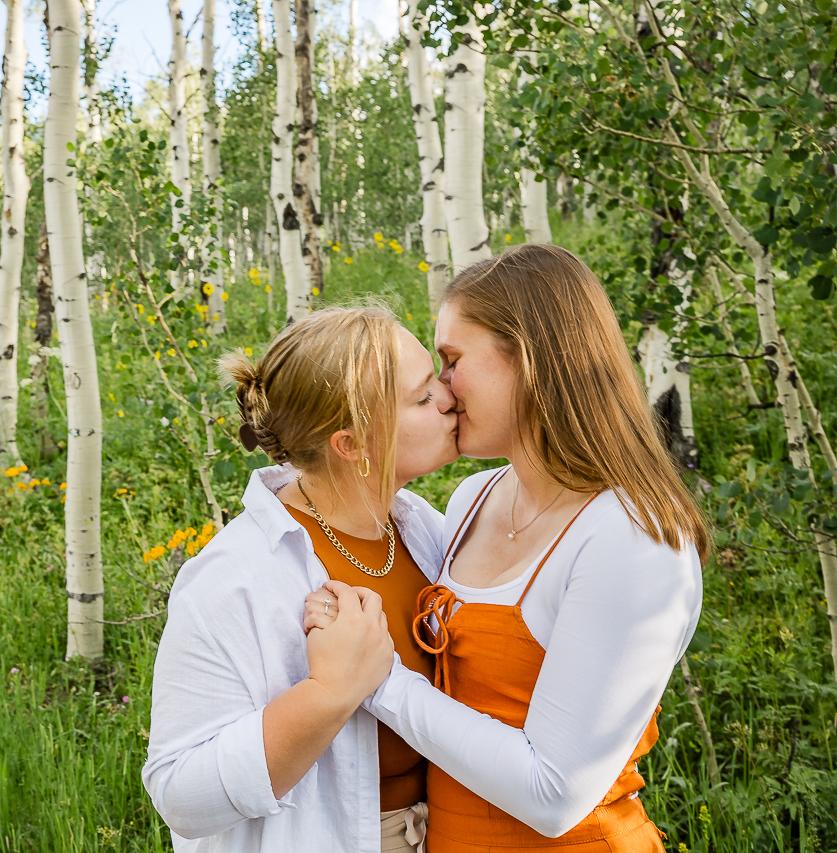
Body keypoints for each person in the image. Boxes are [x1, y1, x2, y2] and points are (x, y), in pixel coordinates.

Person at [304, 244, 708, 852]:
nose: (441, 390)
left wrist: (376, 678)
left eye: (451, 360)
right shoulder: (474, 498)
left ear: (528, 360)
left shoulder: (632, 539)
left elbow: (555, 794)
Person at [142, 305, 460, 852]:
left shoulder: (425, 530)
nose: (449, 399)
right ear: (352, 445)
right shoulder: (233, 578)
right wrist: (327, 694)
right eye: (423, 396)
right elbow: (179, 794)